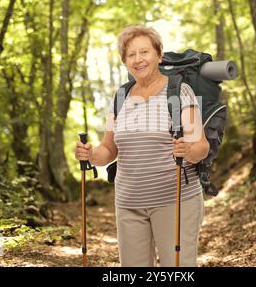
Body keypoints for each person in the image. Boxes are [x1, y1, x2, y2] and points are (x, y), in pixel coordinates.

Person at [75, 24, 209, 267]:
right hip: (128, 204)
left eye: (144, 52)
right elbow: (109, 149)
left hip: (175, 200)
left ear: (158, 55)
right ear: (125, 61)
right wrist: (91, 154)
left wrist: (188, 150)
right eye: (131, 54)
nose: (138, 59)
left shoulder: (179, 92)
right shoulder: (120, 97)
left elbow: (201, 146)